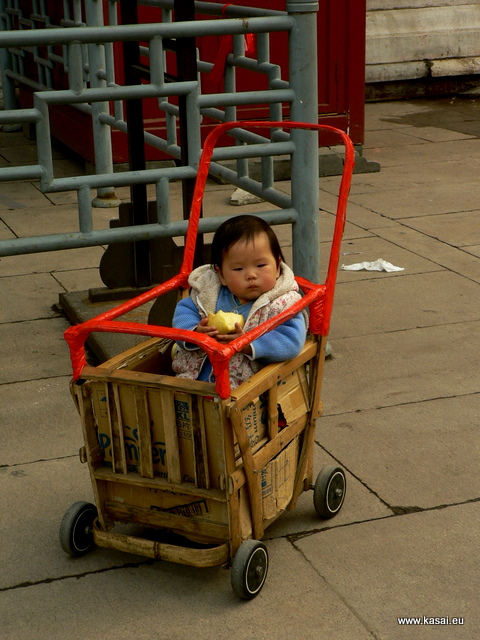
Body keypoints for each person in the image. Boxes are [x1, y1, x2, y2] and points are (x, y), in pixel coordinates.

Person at [172, 215, 307, 389]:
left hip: (245, 387)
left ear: (277, 267)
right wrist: (196, 331)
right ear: (221, 274)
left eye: (260, 265)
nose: (251, 275)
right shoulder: (210, 293)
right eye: (238, 268)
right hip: (194, 379)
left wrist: (249, 345)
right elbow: (184, 311)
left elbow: (291, 341)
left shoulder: (283, 303)